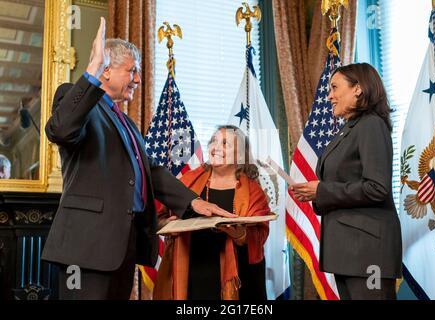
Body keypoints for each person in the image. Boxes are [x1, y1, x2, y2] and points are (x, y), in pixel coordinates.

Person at [42, 18, 235, 300]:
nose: (137, 79)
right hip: (85, 251)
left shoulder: (128, 124)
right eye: (131, 71)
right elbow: (61, 130)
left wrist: (192, 201)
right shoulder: (73, 99)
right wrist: (90, 71)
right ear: (105, 71)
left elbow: (151, 171)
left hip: (121, 248)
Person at [290, 63, 402, 300]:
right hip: (349, 253)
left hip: (367, 252)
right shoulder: (350, 128)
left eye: (334, 87)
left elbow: (377, 188)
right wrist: (315, 193)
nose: (329, 95)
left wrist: (321, 190)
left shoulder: (371, 124)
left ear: (358, 89)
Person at [154, 125, 270, 300]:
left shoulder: (253, 191)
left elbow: (260, 234)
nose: (216, 147)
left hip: (239, 277)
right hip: (193, 272)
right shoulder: (187, 181)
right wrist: (168, 225)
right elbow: (159, 219)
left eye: (225, 143)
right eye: (214, 141)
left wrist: (241, 235)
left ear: (239, 155)